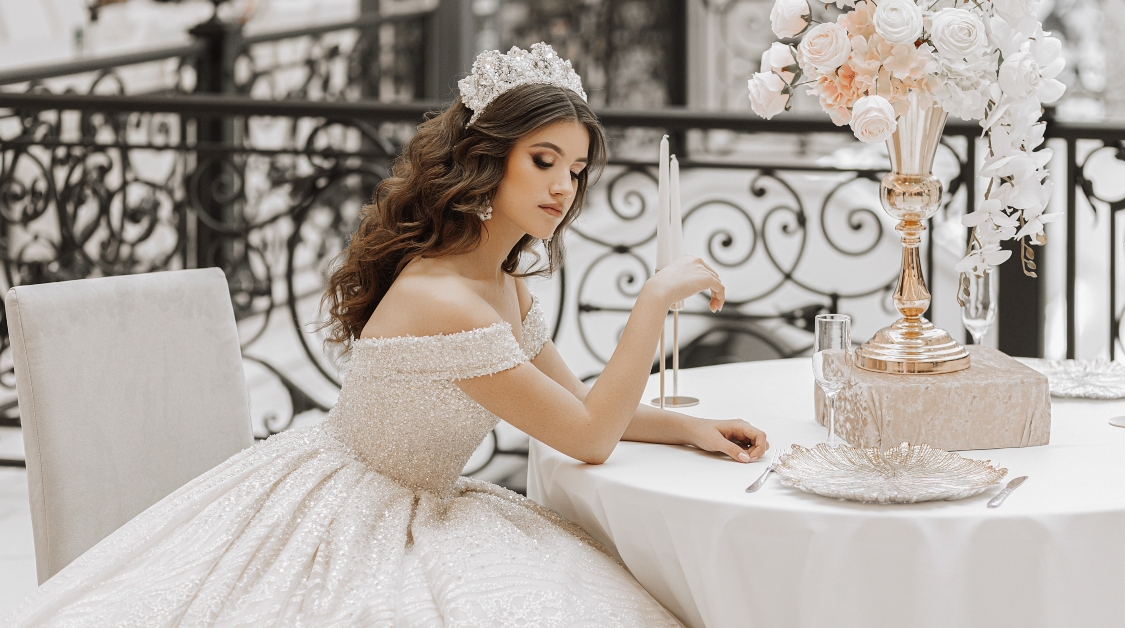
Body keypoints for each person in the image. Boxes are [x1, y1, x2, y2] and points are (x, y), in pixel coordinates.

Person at [4, 43, 768, 627]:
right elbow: (589, 439)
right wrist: (652, 302)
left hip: (427, 499)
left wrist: (686, 428)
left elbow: (578, 406)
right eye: (543, 162)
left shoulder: (501, 277)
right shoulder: (447, 301)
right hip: (355, 514)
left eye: (574, 169)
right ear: (487, 159)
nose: (563, 189)